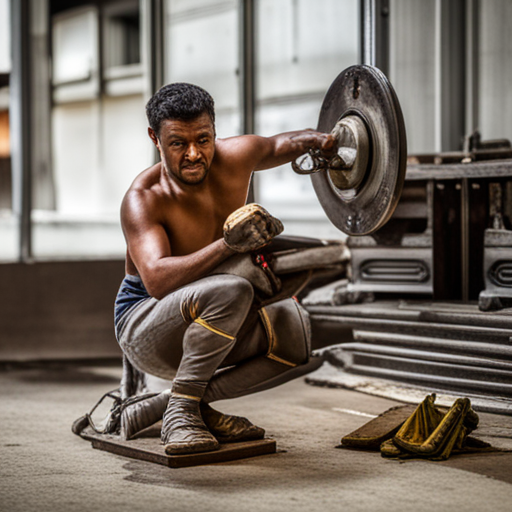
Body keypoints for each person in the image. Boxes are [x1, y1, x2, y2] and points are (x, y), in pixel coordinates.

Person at [115, 83, 335, 455]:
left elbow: (282, 145)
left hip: (214, 308)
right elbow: (156, 280)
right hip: (146, 323)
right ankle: (181, 413)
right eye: (177, 143)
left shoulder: (236, 156)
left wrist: (328, 140)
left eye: (203, 139)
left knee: (296, 335)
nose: (194, 154)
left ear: (215, 130)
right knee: (233, 289)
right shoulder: (144, 198)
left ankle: (174, 401)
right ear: (155, 138)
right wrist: (228, 245)